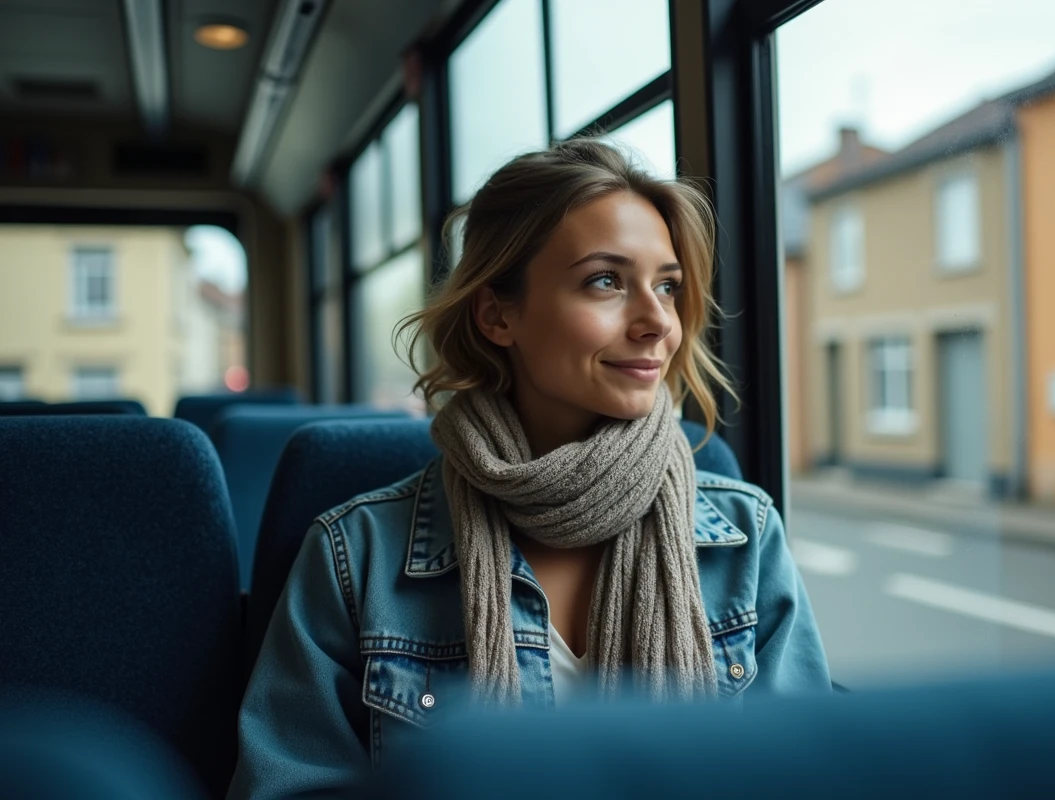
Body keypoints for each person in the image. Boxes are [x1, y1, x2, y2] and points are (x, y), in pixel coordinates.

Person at [228, 139, 829, 800]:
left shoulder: (746, 538)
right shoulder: (355, 558)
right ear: (497, 315)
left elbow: (806, 775)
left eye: (667, 286)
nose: (659, 322)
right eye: (605, 280)